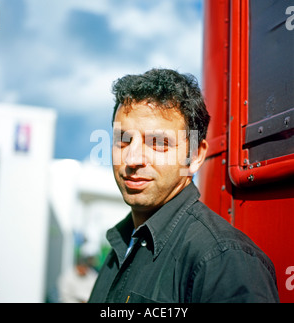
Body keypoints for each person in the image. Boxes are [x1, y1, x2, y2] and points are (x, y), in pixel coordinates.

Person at [88, 68, 279, 303]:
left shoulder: (224, 260)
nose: (132, 159)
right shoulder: (121, 246)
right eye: (122, 141)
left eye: (157, 143)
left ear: (195, 156)